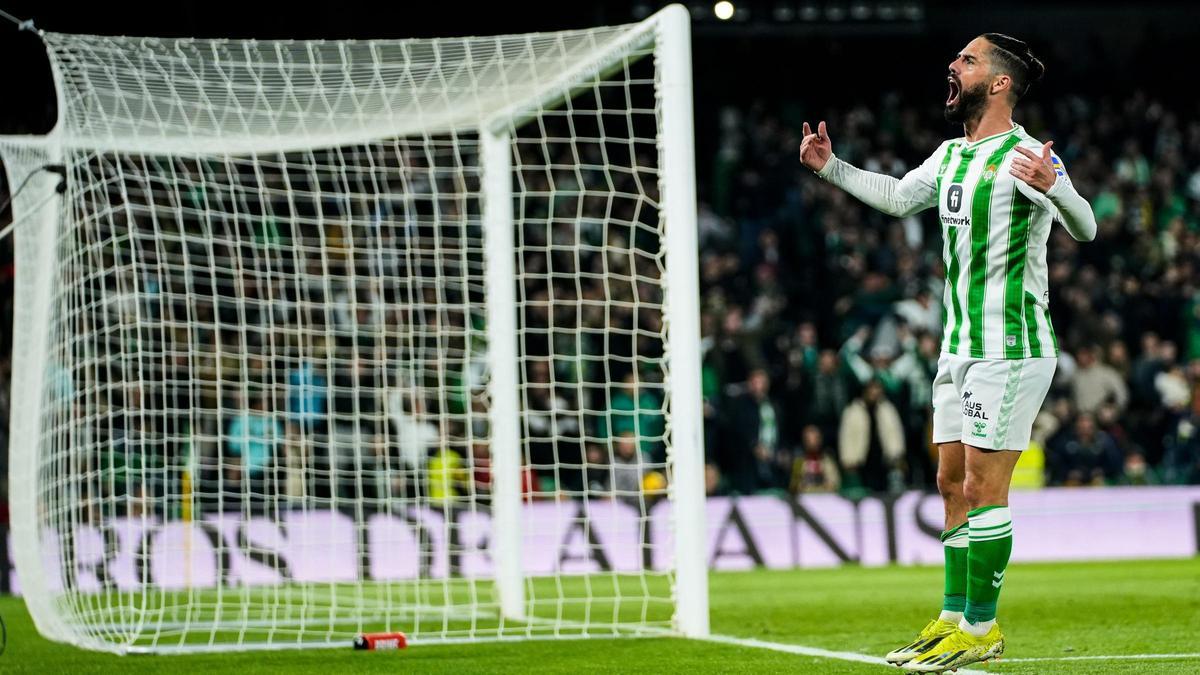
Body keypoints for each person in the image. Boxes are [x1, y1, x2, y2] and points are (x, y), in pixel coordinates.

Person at [799, 34, 1096, 671]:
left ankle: (983, 629)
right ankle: (954, 618)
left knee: (986, 488)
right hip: (958, 347)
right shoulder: (952, 155)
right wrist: (832, 167)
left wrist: (1060, 188)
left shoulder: (1027, 155)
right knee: (950, 484)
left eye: (967, 60)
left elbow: (1086, 225)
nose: (953, 66)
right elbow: (901, 196)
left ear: (999, 83)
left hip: (1010, 347)